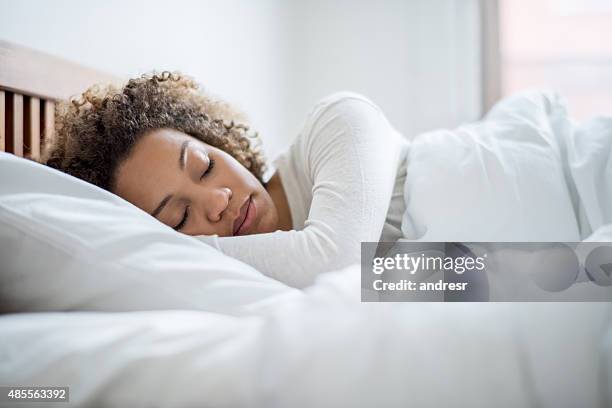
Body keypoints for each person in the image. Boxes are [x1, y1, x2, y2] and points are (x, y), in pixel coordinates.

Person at [42, 71, 409, 288]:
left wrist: (166, 250)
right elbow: (459, 278)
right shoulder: (246, 289)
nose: (218, 201)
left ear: (218, 142)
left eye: (204, 166)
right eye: (180, 218)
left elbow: (334, 262)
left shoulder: (339, 121)